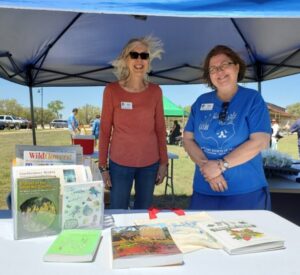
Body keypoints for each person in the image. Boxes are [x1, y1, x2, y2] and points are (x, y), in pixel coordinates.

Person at [183, 45, 271, 211]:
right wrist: (207, 168)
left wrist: (220, 166)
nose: (219, 72)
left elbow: (260, 141)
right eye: (213, 68)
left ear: (237, 67)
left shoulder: (252, 99)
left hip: (245, 192)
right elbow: (188, 139)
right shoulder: (201, 102)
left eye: (225, 65)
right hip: (205, 190)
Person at [98, 36, 168, 209]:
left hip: (149, 165)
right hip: (119, 164)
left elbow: (160, 129)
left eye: (144, 56)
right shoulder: (111, 91)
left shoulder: (155, 91)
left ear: (148, 61)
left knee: (143, 214)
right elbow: (105, 131)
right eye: (134, 55)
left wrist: (164, 163)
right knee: (118, 211)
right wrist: (102, 167)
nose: (139, 60)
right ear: (125, 59)